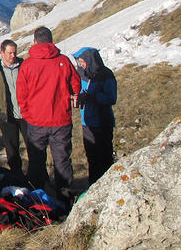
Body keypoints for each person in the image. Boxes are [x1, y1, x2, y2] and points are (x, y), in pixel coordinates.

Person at [16, 26, 82, 201]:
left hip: (37, 121)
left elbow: (21, 93)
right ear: (51, 40)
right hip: (61, 119)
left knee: (36, 160)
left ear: (35, 41)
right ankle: (65, 197)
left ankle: (37, 197)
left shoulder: (28, 64)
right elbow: (76, 85)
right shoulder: (63, 61)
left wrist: (28, 114)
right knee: (62, 159)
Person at [74, 47, 117, 186]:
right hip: (87, 122)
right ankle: (93, 187)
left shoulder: (106, 74)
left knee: (104, 157)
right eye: (80, 62)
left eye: (83, 62)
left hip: (102, 122)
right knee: (91, 158)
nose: (82, 65)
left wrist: (90, 97)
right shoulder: (83, 75)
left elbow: (111, 98)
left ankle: (108, 186)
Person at [0, 39, 28, 173]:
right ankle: (17, 176)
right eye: (9, 53)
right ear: (2, 52)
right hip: (7, 117)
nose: (13, 56)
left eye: (14, 53)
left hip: (27, 115)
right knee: (12, 149)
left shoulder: (24, 66)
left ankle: (37, 178)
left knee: (33, 147)